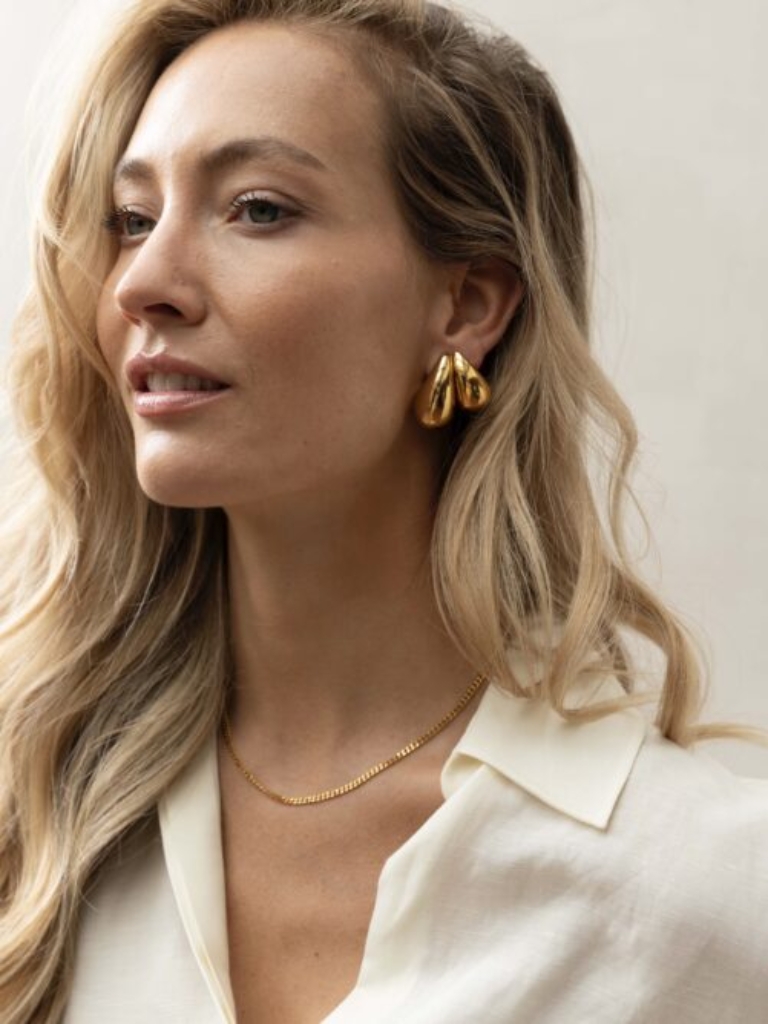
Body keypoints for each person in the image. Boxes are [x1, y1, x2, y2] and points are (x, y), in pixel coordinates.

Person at [1, 0, 767, 1021]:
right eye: (134, 218)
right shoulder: (34, 819)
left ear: (467, 305)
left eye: (257, 209)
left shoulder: (704, 893)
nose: (145, 282)